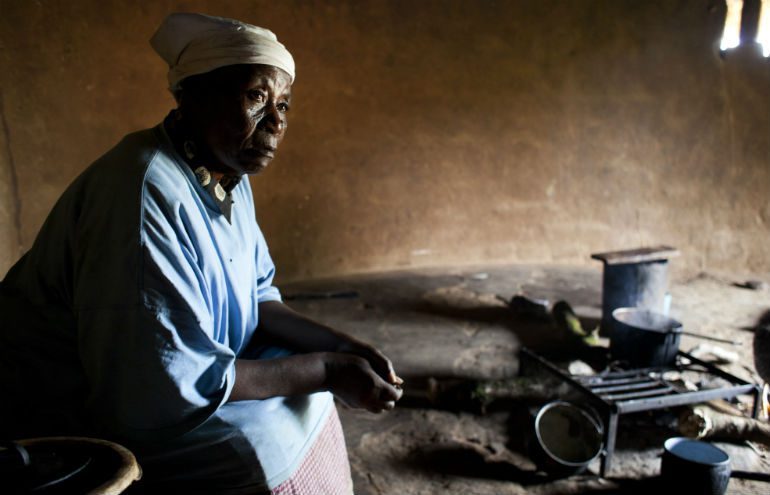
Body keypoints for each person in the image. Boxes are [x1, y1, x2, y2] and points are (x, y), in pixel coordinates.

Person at [0, 12, 402, 494]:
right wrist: (326, 368)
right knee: (261, 445)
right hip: (84, 402)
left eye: (284, 104)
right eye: (256, 97)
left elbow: (257, 296)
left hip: (182, 373)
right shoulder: (143, 192)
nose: (276, 121)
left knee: (309, 392)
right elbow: (161, 382)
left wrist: (341, 347)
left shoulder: (226, 172)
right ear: (191, 97)